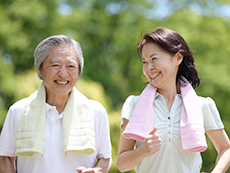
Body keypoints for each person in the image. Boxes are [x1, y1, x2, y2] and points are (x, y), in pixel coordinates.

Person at [116, 28, 230, 173]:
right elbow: (121, 164)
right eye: (144, 62)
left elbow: (226, 148)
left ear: (177, 58)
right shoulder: (133, 104)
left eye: (154, 59)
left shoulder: (202, 105)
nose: (149, 68)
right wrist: (142, 151)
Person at [0, 35, 112, 173]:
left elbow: (105, 158)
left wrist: (97, 171)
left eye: (71, 66)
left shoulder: (96, 111)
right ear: (40, 70)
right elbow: (5, 158)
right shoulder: (18, 111)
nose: (63, 74)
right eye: (55, 65)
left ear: (78, 71)